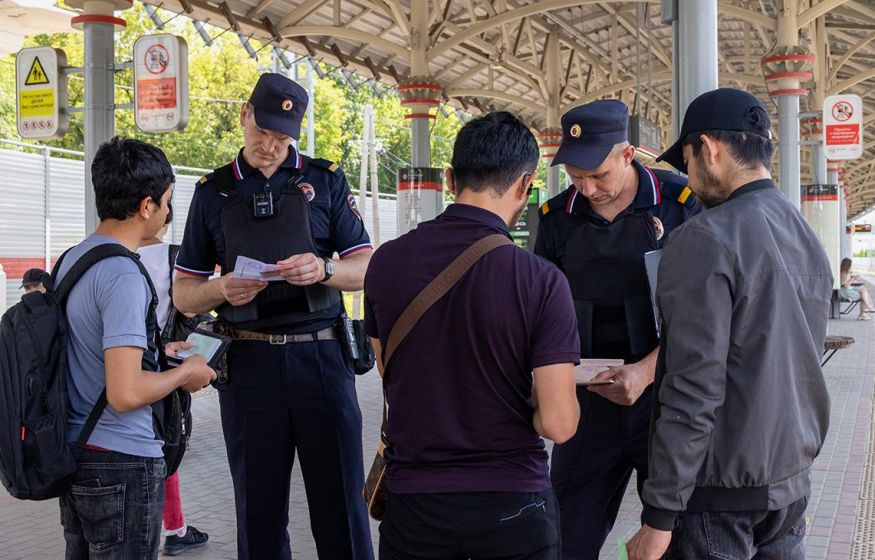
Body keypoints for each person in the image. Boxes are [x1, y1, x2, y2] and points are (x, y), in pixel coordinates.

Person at [172, 73, 374, 560]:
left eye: (282, 138)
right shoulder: (213, 192)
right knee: (258, 514)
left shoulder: (325, 180)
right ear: (244, 115)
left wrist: (324, 268)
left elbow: (367, 267)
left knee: (342, 507)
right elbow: (183, 295)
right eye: (262, 132)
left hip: (323, 358)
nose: (269, 147)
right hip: (247, 368)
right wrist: (220, 288)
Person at [627, 88, 832, 560]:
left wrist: (659, 514)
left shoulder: (705, 236)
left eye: (687, 160)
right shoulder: (804, 232)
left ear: (710, 148)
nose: (690, 179)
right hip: (789, 485)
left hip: (717, 497)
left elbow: (693, 385)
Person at [364, 111, 580, 560]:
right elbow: (560, 425)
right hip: (513, 507)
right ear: (525, 185)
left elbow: (390, 371)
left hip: (415, 507)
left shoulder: (385, 263)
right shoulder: (541, 280)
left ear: (449, 178)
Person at [533, 99, 699, 558]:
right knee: (564, 537)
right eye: (575, 176)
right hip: (587, 403)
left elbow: (707, 319)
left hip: (666, 402)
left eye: (598, 175)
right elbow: (540, 313)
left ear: (628, 154)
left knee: (672, 540)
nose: (587, 189)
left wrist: (646, 372)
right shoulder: (555, 219)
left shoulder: (681, 205)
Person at [56, 137, 216, 559]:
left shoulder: (73, 259)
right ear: (147, 206)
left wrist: (160, 357)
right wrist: (185, 373)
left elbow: (88, 351)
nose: (167, 212)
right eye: (166, 202)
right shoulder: (123, 275)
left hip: (76, 453)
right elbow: (124, 394)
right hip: (121, 462)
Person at [139, 223, 210, 557]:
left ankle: (173, 526)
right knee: (166, 447)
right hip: (168, 365)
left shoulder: (103, 257)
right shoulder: (177, 259)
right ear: (152, 209)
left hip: (117, 371)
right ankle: (174, 528)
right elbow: (196, 307)